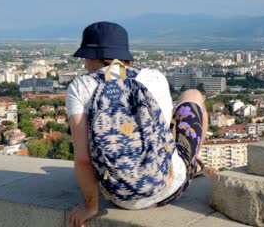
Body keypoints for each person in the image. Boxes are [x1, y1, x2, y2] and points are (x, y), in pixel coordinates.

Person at [66, 21, 212, 227]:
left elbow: (82, 159)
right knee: (193, 95)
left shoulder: (80, 88)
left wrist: (91, 206)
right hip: (169, 188)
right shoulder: (153, 77)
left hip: (118, 196)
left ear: (92, 57)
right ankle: (193, 162)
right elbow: (165, 129)